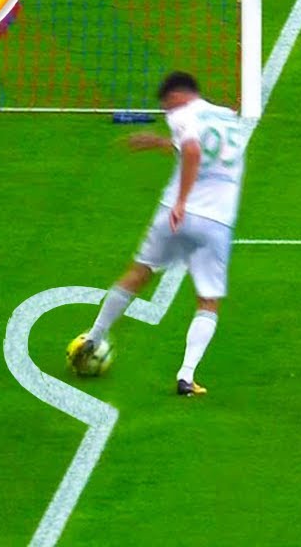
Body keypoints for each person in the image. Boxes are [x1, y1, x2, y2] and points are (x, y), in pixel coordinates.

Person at [68, 71, 251, 395]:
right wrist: (160, 143)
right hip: (217, 220)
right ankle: (186, 376)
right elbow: (205, 150)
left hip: (176, 213)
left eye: (166, 105)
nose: (168, 112)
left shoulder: (182, 113)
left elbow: (192, 150)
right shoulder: (227, 116)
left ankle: (93, 338)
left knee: (139, 273)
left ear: (176, 96)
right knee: (207, 301)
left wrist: (181, 200)